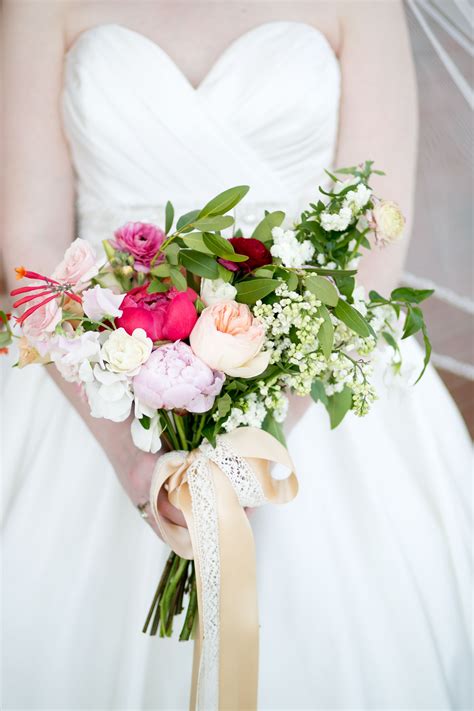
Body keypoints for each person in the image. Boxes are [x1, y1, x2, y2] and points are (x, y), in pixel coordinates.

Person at [2, 2, 471, 709]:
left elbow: (375, 240)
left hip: (320, 386)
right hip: (93, 383)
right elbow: (31, 250)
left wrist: (255, 436)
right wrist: (135, 460)